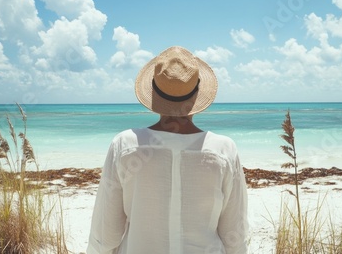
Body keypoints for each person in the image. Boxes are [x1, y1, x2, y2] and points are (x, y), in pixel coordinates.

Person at [87, 46, 248, 254]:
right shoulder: (223, 150)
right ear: (196, 96)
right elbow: (235, 235)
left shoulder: (125, 145)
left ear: (154, 95)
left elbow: (104, 235)